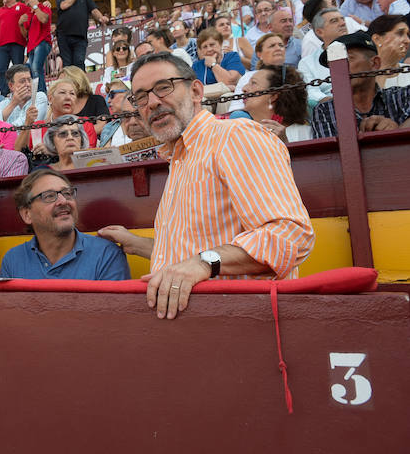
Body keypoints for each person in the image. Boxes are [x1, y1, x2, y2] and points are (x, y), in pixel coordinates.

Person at [99, 52, 314, 319]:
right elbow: (187, 256)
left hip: (239, 326)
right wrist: (133, 244)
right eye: (141, 96)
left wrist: (205, 262)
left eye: (163, 87)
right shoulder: (180, 158)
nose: (152, 103)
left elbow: (289, 235)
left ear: (196, 91)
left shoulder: (235, 137)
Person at [0, 169, 129, 280]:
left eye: (67, 193)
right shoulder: (13, 259)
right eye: (49, 196)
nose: (63, 201)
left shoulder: (106, 254)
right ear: (27, 214)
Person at [311, 31, 410, 138]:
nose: (338, 69)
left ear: (374, 63)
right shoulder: (325, 110)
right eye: (332, 65)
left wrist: (396, 131)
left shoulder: (403, 95)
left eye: (349, 59)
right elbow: (329, 153)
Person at [229, 65, 313, 142]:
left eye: (253, 83)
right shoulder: (241, 132)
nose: (244, 88)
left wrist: (285, 144)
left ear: (273, 96)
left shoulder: (305, 134)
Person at [55, 0, 109, 70]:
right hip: (64, 36)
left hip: (80, 36)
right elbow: (63, 6)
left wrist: (101, 18)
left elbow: (94, 10)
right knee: (67, 64)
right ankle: (71, 84)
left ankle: (81, 84)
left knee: (79, 61)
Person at [298, 8, 349, 107]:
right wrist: (339, 102)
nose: (342, 23)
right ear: (320, 32)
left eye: (342, 19)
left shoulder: (361, 50)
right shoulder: (307, 63)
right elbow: (312, 92)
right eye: (334, 21)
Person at [18, 0, 52, 93]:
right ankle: (39, 94)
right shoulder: (28, 13)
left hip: (42, 42)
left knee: (36, 68)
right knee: (33, 71)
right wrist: (20, 24)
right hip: (31, 46)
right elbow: (25, 34)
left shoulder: (44, 7)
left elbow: (44, 19)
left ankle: (42, 94)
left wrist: (36, 7)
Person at [368, 15, 410, 89]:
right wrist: (385, 64)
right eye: (400, 33)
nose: (408, 40)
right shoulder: (362, 75)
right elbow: (371, 99)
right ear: (377, 39)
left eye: (408, 35)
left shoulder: (408, 71)